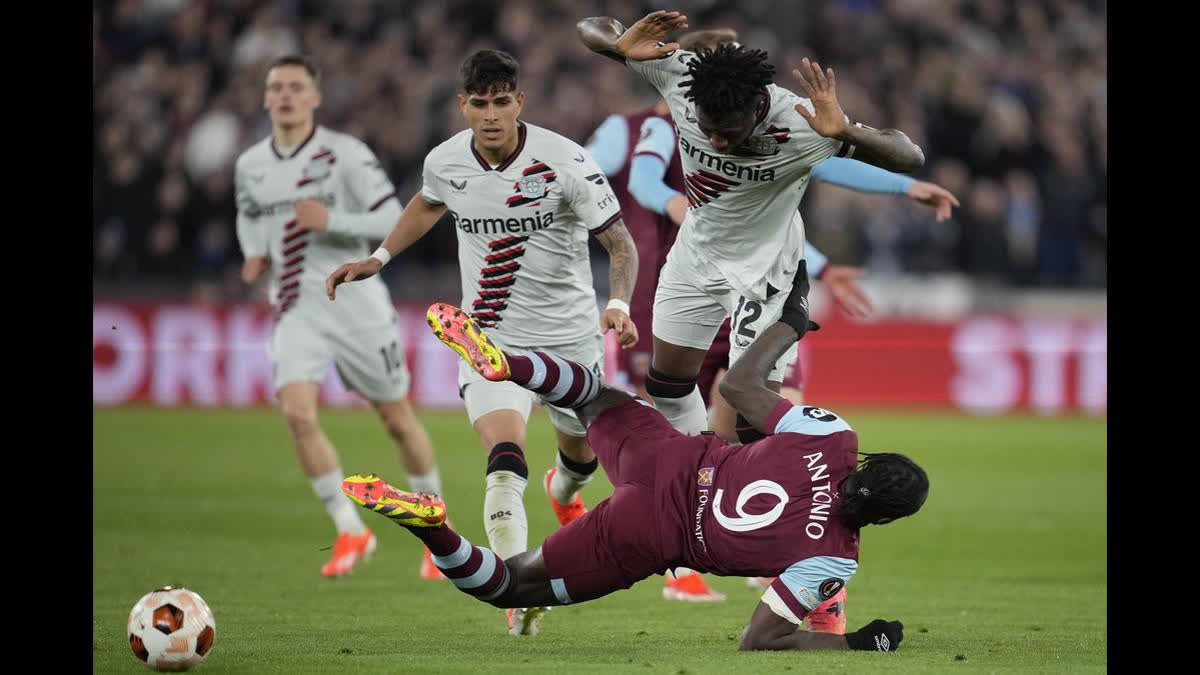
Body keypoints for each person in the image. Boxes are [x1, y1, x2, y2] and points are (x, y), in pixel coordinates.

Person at [341, 292, 927, 652]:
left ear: (869, 462)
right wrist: (856, 643)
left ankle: (507, 365)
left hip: (668, 455)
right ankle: (430, 527)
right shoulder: (835, 555)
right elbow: (760, 640)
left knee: (594, 398)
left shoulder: (835, 437)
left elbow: (738, 385)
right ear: (887, 518)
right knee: (508, 584)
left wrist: (792, 323)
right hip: (648, 533)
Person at [324, 49, 640, 636]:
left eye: (501, 102)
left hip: (570, 340)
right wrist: (379, 257)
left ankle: (563, 487)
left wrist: (617, 303)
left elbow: (620, 244)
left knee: (580, 462)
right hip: (487, 338)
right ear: (462, 106)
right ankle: (520, 591)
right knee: (503, 464)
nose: (490, 115)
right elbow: (427, 203)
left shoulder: (567, 161)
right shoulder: (445, 161)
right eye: (479, 104)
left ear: (520, 102)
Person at [574, 12, 948, 452]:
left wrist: (847, 131)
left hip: (766, 273)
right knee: (666, 385)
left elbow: (910, 156)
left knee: (751, 405)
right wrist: (619, 47)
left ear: (756, 109)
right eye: (707, 130)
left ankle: (814, 467)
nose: (716, 143)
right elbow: (589, 28)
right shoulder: (682, 78)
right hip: (696, 255)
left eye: (728, 133)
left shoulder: (802, 125)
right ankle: (703, 476)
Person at [233, 55, 443, 579]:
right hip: (296, 307)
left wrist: (333, 221)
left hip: (355, 300)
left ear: (314, 97)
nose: (284, 95)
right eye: (275, 86)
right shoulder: (251, 165)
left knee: (396, 419)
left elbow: (389, 214)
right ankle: (350, 528)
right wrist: (254, 252)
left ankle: (439, 535)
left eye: (295, 87)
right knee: (298, 415)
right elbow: (249, 215)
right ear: (265, 97)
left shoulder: (345, 154)